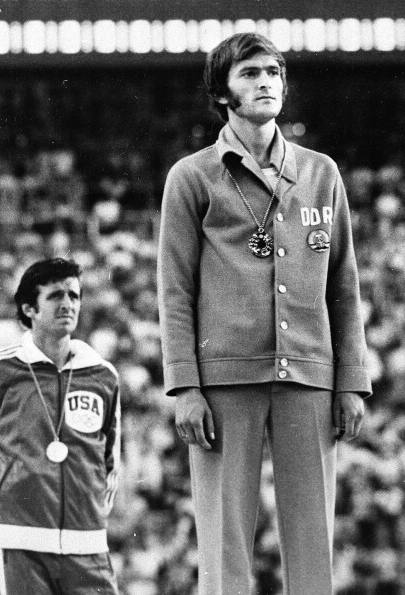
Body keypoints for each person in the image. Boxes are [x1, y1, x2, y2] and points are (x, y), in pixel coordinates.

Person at [157, 32, 371, 594]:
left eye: (274, 72)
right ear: (222, 92)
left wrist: (351, 380)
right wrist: (184, 387)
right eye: (250, 73)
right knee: (225, 547)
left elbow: (344, 286)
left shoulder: (321, 173)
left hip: (309, 375)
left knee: (313, 545)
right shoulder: (192, 176)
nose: (266, 82)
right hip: (224, 379)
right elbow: (174, 289)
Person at [0, 258, 122, 594]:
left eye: (74, 296)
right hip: (19, 544)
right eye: (56, 296)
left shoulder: (103, 375)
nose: (67, 304)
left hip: (87, 546)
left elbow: (111, 461)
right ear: (29, 308)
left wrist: (91, 520)